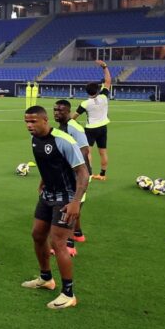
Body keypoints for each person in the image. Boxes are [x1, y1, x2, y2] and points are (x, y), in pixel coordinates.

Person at [21, 106, 89, 310]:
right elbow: (50, 163)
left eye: (33, 122)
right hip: (48, 194)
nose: (29, 126)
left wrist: (76, 201)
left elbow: (83, 173)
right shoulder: (35, 139)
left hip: (67, 197)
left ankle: (68, 293)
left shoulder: (64, 140)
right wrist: (43, 179)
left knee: (58, 242)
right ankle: (46, 279)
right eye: (26, 122)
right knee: (37, 235)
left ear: (45, 120)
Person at [53, 100, 90, 254]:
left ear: (68, 111)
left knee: (71, 204)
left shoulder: (74, 127)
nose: (56, 112)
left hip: (78, 172)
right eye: (55, 110)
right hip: (69, 171)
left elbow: (85, 150)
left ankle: (69, 244)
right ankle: (78, 234)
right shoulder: (61, 127)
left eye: (60, 110)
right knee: (76, 202)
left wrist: (67, 163)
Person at [72, 59, 111, 181]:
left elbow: (74, 116)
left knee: (88, 152)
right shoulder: (104, 97)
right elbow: (108, 80)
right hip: (103, 128)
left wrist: (70, 122)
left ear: (87, 92)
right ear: (98, 90)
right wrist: (104, 66)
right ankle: (102, 175)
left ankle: (88, 174)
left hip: (90, 129)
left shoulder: (85, 103)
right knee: (103, 152)